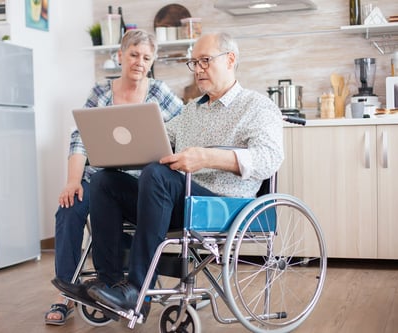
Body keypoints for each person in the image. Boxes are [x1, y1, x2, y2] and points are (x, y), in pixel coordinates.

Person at [55, 31, 285, 318]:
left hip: (223, 205)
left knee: (158, 174)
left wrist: (206, 157)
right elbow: (152, 139)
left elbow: (269, 158)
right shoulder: (191, 111)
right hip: (179, 201)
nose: (198, 69)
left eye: (205, 61)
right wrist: (115, 139)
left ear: (230, 60)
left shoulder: (257, 106)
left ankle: (136, 290)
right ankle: (111, 283)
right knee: (104, 181)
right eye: (194, 63)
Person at [45, 29, 183, 325]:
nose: (139, 62)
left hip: (139, 183)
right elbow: (80, 138)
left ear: (153, 60)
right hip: (99, 177)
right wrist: (72, 181)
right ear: (120, 56)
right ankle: (65, 296)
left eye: (146, 57)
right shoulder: (100, 93)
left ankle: (118, 287)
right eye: (133, 55)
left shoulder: (160, 93)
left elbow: (183, 132)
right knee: (69, 207)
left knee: (110, 191)